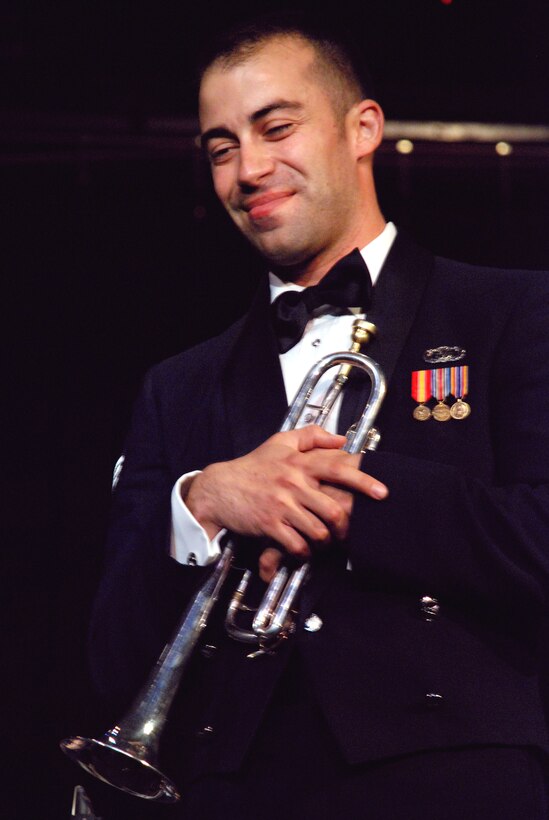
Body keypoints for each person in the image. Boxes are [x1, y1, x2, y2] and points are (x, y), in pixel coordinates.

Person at [88, 13, 549, 819]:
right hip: (236, 791)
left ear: (361, 128)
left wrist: (342, 497)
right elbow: (111, 656)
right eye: (222, 146)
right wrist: (197, 506)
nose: (248, 168)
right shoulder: (176, 384)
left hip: (452, 780)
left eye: (276, 127)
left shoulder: (514, 312)